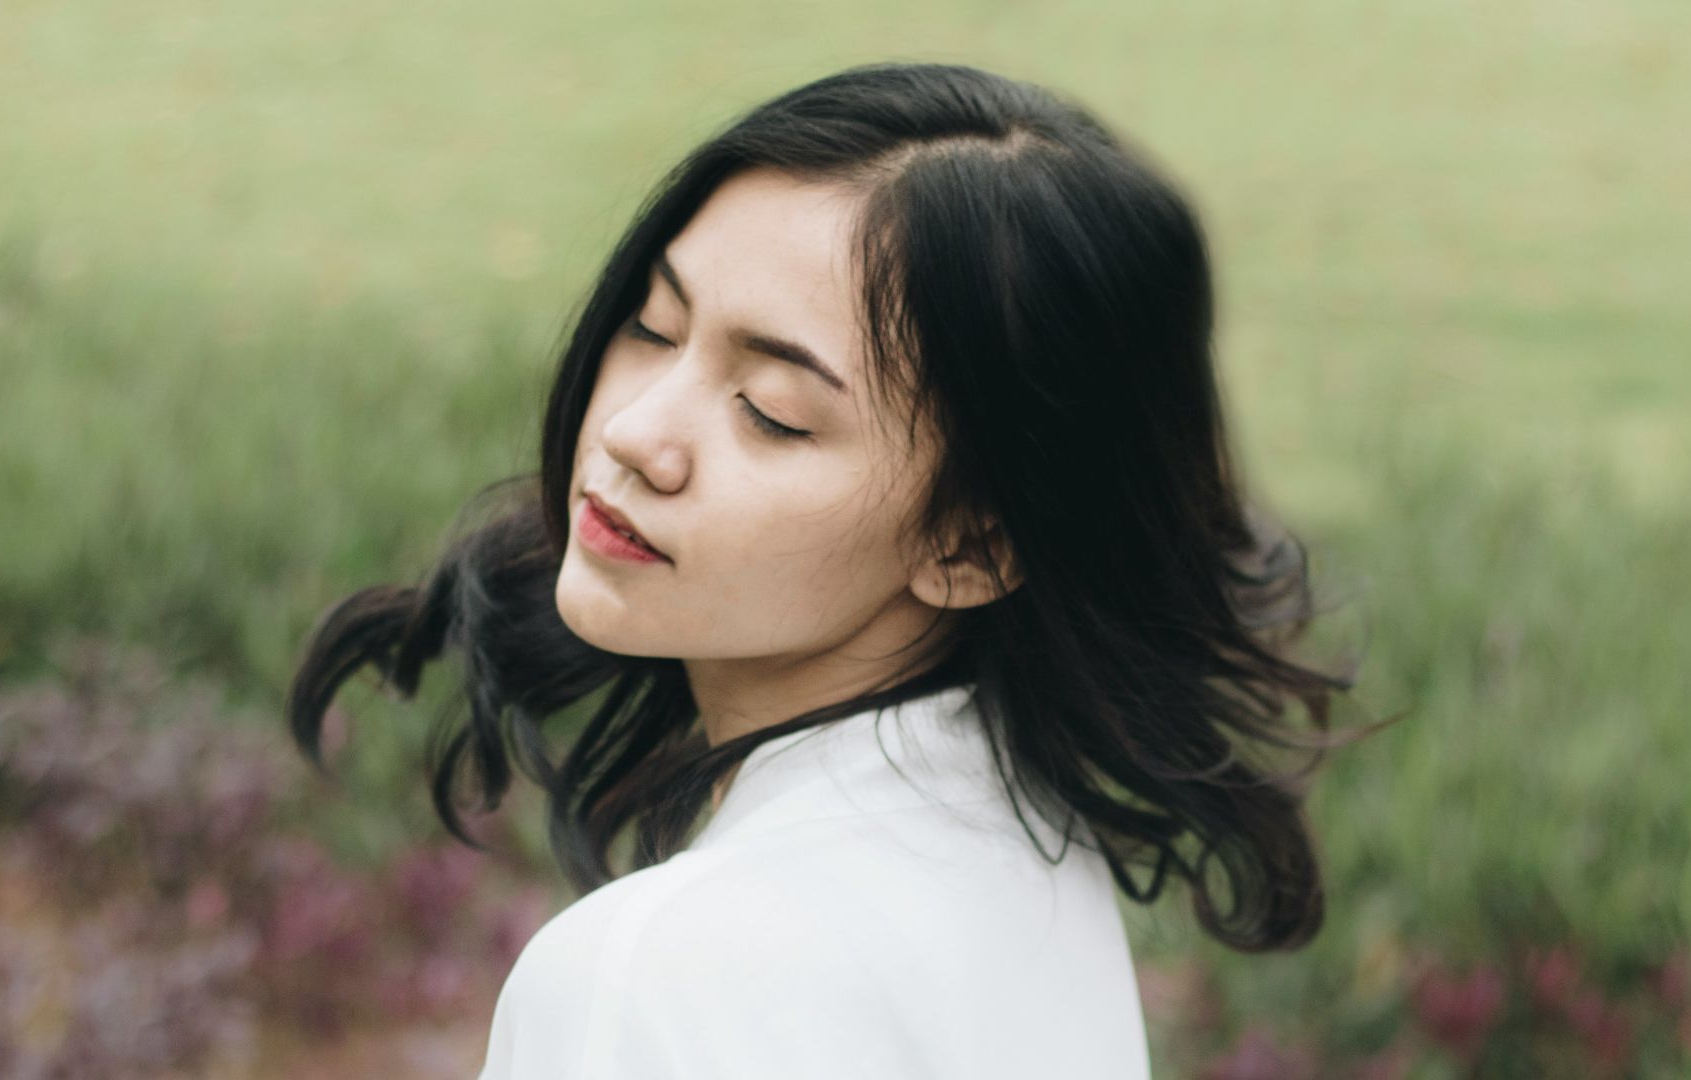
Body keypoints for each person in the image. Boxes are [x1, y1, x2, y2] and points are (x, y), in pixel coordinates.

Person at [287, 59, 1384, 1079]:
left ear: (974, 543)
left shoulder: (662, 974)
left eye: (773, 414)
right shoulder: (1030, 866)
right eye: (654, 326)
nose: (633, 432)